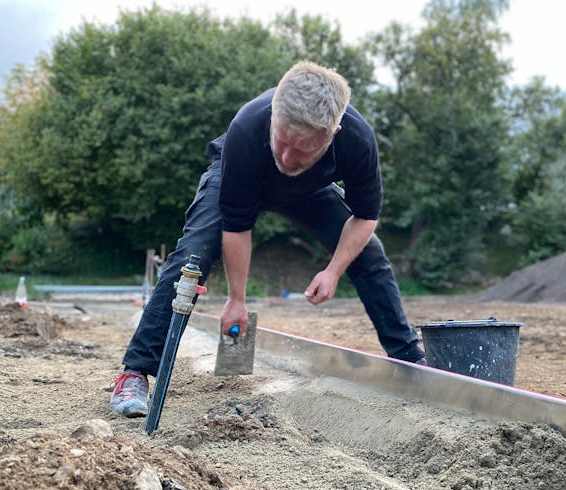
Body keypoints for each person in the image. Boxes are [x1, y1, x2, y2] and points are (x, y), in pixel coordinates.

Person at [110, 61, 426, 417]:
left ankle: (411, 362)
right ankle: (135, 372)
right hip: (239, 177)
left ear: (333, 133)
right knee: (193, 258)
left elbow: (365, 217)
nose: (287, 157)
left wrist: (334, 270)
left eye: (303, 148)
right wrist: (236, 299)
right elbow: (236, 226)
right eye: (282, 140)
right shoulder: (248, 126)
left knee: (369, 254)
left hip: (311, 188)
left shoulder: (357, 140)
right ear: (274, 115)